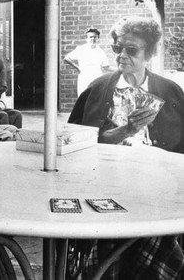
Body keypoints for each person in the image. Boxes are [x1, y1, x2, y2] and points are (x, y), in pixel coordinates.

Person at [68, 17, 184, 279]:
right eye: (118, 48)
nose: (122, 56)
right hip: (107, 188)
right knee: (141, 233)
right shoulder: (97, 89)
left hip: (161, 191)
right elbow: (76, 147)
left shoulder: (171, 92)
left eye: (131, 50)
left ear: (150, 54)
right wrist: (125, 130)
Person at [64, 27, 111, 96]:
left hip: (97, 78)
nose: (93, 39)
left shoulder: (101, 51)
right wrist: (78, 68)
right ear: (86, 39)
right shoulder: (81, 49)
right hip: (84, 79)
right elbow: (67, 58)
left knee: (96, 100)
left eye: (95, 37)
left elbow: (106, 67)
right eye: (90, 37)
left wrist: (120, 69)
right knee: (84, 100)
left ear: (98, 38)